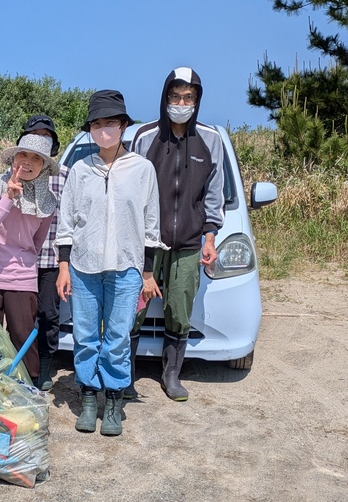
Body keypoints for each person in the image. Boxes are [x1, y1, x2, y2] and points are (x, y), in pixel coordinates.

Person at [56, 90, 164, 436]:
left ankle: (114, 400)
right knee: (86, 336)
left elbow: (151, 223)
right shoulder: (80, 170)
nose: (104, 130)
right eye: (97, 124)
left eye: (111, 123)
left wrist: (147, 272)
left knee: (117, 337)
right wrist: (62, 266)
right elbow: (67, 221)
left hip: (127, 268)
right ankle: (89, 397)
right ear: (90, 129)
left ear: (123, 126)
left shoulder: (142, 169)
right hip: (83, 267)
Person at [130, 67, 224, 401]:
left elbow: (213, 194)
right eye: (175, 96)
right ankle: (124, 376)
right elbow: (131, 189)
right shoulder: (144, 137)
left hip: (187, 243)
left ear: (197, 100)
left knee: (179, 309)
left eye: (187, 97)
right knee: (134, 309)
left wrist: (209, 237)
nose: (180, 103)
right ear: (165, 97)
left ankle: (171, 376)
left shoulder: (211, 140)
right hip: (145, 245)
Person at [0, 133, 57, 384]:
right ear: (13, 159)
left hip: (22, 276)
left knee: (23, 336)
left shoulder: (48, 200)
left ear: (43, 166)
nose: (28, 162)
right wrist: (8, 197)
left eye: (36, 158)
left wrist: (23, 260)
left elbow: (37, 242)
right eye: (23, 155)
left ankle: (24, 389)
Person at [22, 115, 67, 391]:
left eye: (46, 137)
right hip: (20, 258)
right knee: (22, 315)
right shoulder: (16, 174)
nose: (40, 140)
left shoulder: (66, 176)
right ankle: (26, 364)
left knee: (49, 313)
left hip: (51, 258)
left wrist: (65, 261)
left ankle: (46, 362)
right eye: (34, 135)